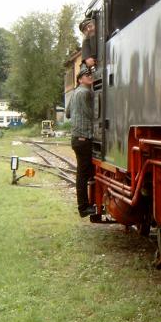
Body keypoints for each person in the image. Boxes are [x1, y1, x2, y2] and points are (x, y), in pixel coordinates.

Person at [65, 64, 95, 217]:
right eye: (86, 74)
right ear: (80, 79)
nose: (89, 76)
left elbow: (68, 113)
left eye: (90, 74)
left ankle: (87, 205)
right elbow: (92, 114)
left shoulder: (75, 92)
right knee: (84, 174)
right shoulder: (86, 93)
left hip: (76, 137)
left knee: (84, 173)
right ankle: (83, 207)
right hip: (84, 137)